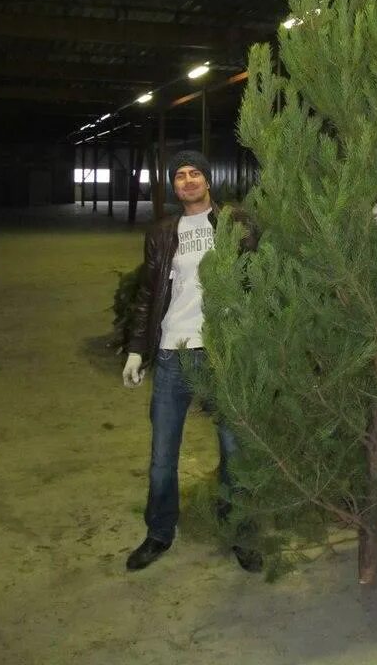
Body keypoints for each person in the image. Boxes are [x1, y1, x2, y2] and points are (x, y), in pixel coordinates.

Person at [122, 150, 260, 572]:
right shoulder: (163, 232)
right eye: (179, 175)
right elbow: (149, 293)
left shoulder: (237, 224)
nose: (187, 180)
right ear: (174, 186)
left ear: (208, 180)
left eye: (194, 172)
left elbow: (260, 278)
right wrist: (137, 349)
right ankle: (159, 532)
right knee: (162, 456)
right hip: (172, 354)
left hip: (223, 353)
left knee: (235, 452)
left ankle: (240, 530)